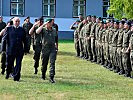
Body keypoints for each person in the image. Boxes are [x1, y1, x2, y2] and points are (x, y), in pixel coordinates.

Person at [2, 17, 27, 81]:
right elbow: (4, 39)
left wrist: (26, 49)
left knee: (18, 64)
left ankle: (16, 77)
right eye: (16, 21)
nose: (17, 23)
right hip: (10, 49)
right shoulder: (8, 29)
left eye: (18, 21)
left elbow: (25, 40)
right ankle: (8, 73)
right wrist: (3, 49)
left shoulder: (22, 30)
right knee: (9, 63)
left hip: (19, 50)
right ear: (13, 22)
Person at [36, 18, 57, 83]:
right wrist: (43, 25)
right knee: (44, 63)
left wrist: (57, 47)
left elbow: (56, 39)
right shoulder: (43, 30)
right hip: (45, 48)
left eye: (51, 22)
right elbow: (37, 32)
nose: (51, 23)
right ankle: (43, 74)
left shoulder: (54, 30)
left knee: (52, 62)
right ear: (47, 23)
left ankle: (51, 77)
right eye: (50, 22)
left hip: (52, 48)